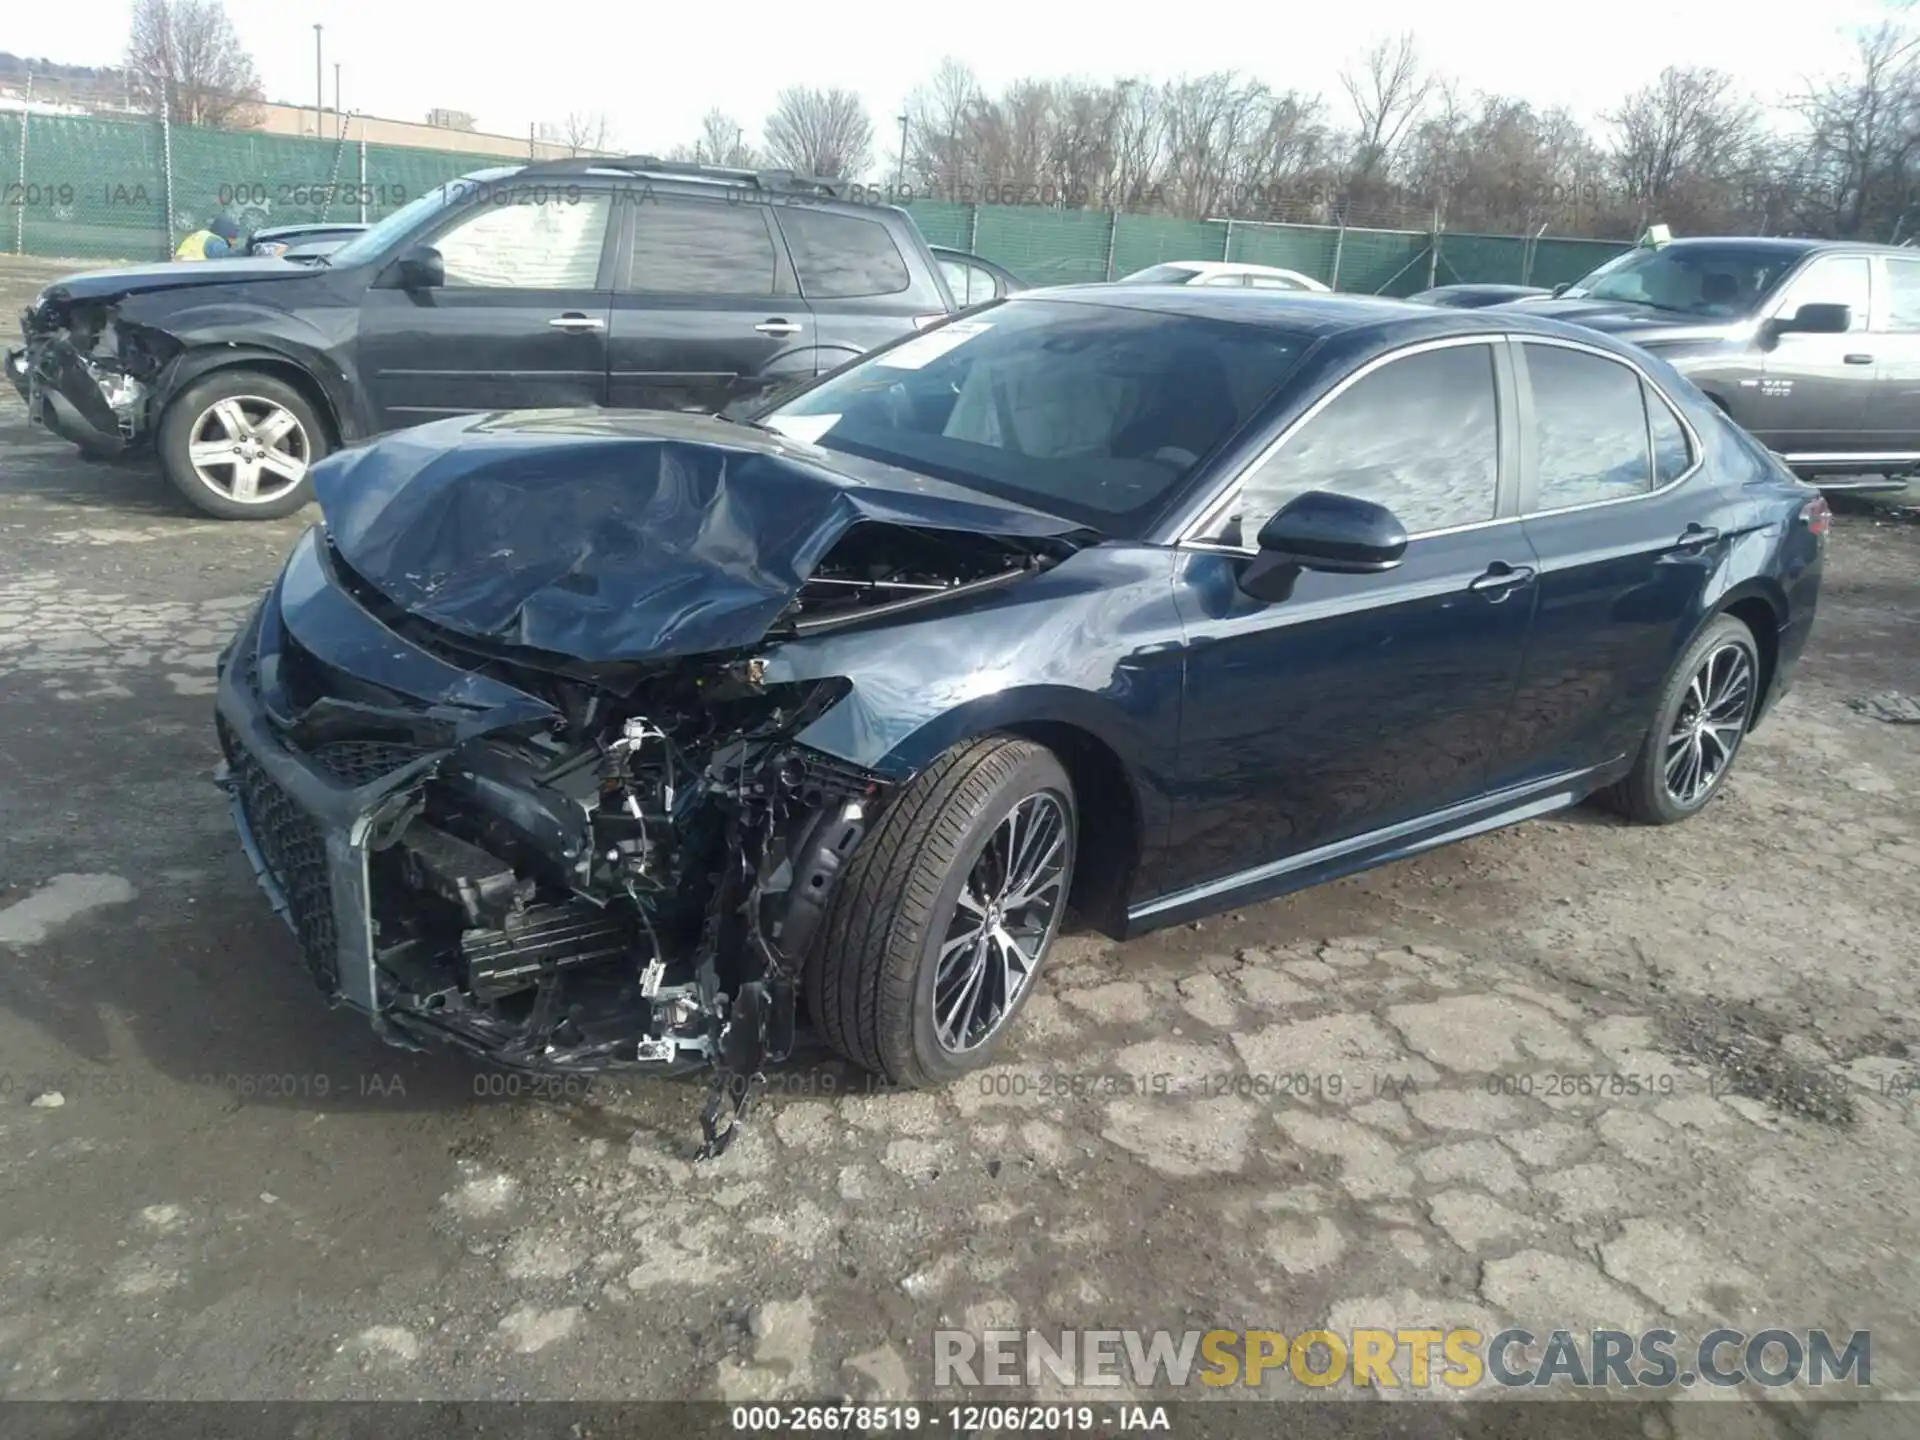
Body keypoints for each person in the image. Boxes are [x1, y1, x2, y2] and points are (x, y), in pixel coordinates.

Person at [175, 215, 242, 261]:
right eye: (232, 239)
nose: (234, 243)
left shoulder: (202, 235)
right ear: (225, 235)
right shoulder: (215, 242)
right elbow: (228, 258)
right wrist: (246, 251)